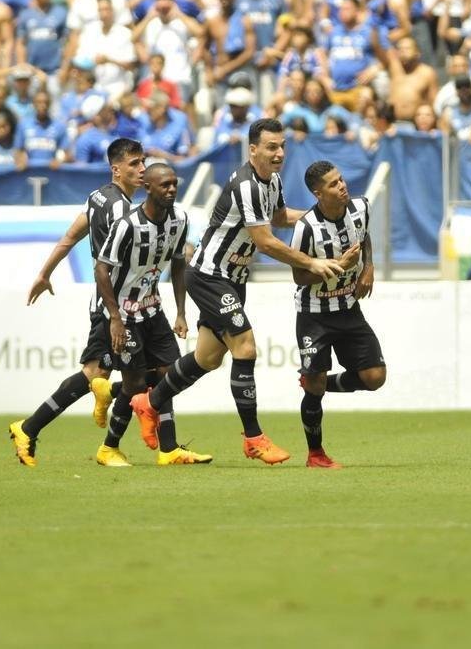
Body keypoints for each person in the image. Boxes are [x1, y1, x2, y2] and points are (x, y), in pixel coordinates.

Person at [129, 119, 344, 465]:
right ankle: (253, 438)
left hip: (233, 279)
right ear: (253, 149)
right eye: (271, 147)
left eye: (282, 146)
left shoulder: (272, 181)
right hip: (210, 275)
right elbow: (265, 241)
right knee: (245, 347)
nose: (279, 153)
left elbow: (279, 218)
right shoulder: (246, 185)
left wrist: (318, 216)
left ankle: (148, 403)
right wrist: (311, 262)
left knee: (207, 359)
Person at [10, 139, 147, 467]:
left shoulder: (97, 197)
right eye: (134, 164)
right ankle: (29, 428)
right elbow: (121, 261)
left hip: (110, 303)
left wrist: (45, 273)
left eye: (143, 162)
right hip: (115, 305)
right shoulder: (122, 210)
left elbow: (71, 236)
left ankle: (40, 427)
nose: (142, 169)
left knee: (118, 373)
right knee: (102, 373)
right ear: (116, 170)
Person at [93, 163, 211, 466]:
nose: (171, 190)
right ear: (148, 187)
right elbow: (101, 269)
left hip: (153, 310)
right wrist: (114, 318)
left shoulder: (180, 219)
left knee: (169, 375)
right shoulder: (127, 225)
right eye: (164, 185)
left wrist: (181, 312)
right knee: (135, 385)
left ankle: (169, 449)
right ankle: (108, 448)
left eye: (174, 184)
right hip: (124, 315)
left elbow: (178, 264)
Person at [287, 160, 386, 469]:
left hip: (349, 309)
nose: (342, 186)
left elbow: (364, 237)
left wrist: (368, 268)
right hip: (314, 315)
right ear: (318, 193)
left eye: (341, 179)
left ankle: (314, 381)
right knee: (314, 387)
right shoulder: (306, 228)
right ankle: (315, 454)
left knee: (375, 377)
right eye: (333, 184)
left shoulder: (361, 207)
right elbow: (299, 277)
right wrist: (340, 267)